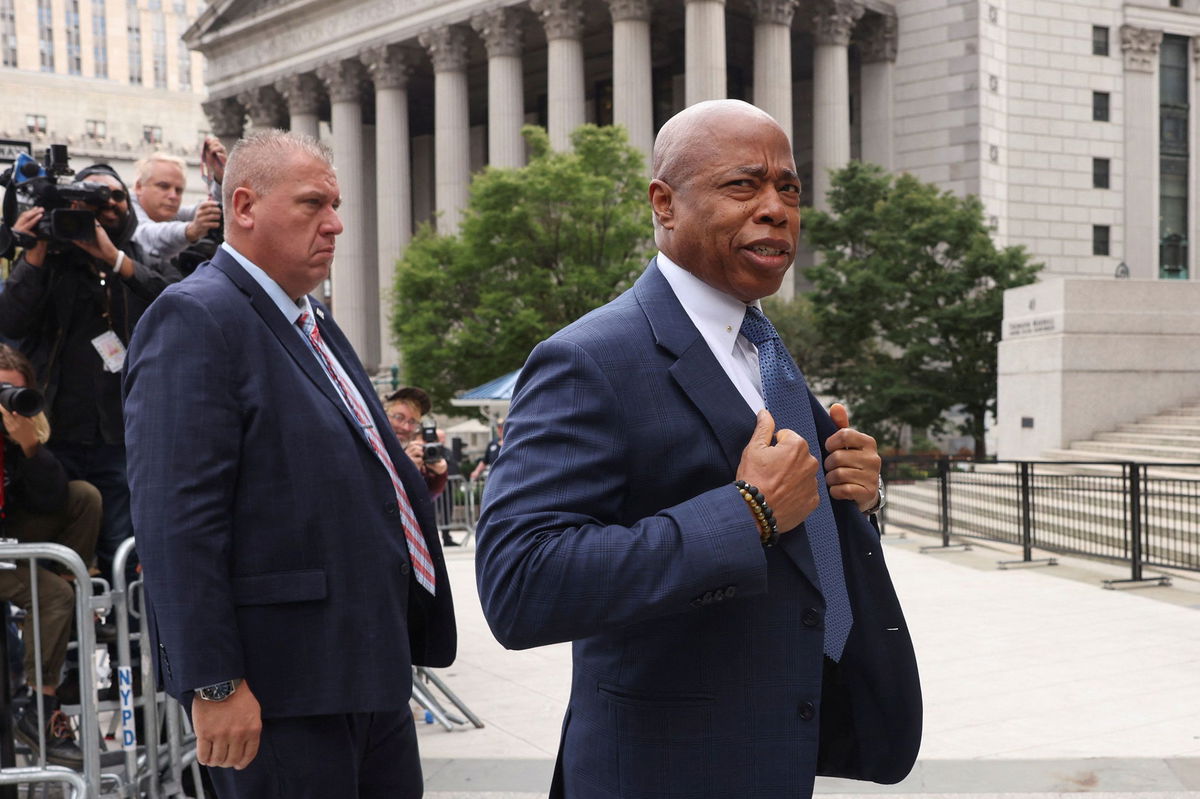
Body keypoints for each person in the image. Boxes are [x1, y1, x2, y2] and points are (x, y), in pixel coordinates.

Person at [474, 100, 921, 799]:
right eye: (744, 185)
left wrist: (854, 491)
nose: (776, 208)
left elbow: (801, 531)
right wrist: (748, 512)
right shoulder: (587, 359)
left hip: (774, 755)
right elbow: (520, 583)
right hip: (662, 772)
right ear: (665, 204)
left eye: (789, 188)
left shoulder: (763, 347)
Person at [124, 129, 456, 798]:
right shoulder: (194, 318)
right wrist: (214, 682)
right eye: (313, 204)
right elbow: (176, 522)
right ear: (243, 206)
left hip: (367, 671)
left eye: (336, 204)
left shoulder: (312, 316)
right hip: (279, 690)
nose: (335, 223)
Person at [0, 162, 180, 582]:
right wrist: (35, 254)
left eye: (117, 196)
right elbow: (10, 324)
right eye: (95, 197)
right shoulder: (47, 262)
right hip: (56, 431)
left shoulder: (135, 259)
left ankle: (122, 639)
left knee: (120, 544)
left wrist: (114, 260)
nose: (109, 204)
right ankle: (72, 638)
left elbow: (174, 305)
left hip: (120, 435)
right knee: (60, 546)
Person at [0, 344, 101, 768]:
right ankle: (39, 709)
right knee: (52, 601)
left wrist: (28, 449)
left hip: (14, 541)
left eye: (15, 393)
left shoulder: (22, 430)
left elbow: (53, 499)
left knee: (85, 497)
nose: (8, 402)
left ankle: (63, 590)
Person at [130, 152, 222, 267]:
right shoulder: (125, 210)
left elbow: (211, 208)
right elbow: (145, 234)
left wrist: (219, 178)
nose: (173, 196)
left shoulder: (165, 212)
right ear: (139, 186)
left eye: (178, 190)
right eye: (163, 186)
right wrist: (190, 230)